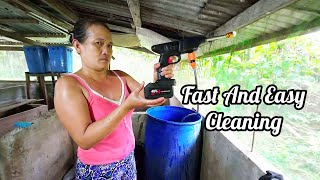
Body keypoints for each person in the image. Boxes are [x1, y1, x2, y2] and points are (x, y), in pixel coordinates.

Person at [54, 18, 174, 180]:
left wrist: (159, 82)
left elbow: (153, 100)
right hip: (97, 170)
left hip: (127, 163)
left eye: (109, 45)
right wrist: (125, 107)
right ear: (77, 45)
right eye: (98, 43)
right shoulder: (69, 85)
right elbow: (84, 139)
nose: (106, 50)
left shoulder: (121, 76)